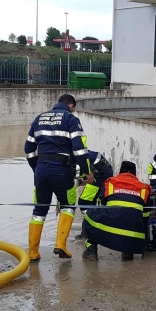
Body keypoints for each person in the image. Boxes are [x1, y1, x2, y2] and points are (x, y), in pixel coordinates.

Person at [24, 94, 94, 260]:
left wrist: (37, 168)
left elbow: (28, 149)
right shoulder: (71, 119)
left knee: (39, 210)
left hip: (41, 170)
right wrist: (87, 172)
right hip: (62, 170)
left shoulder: (39, 119)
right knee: (68, 206)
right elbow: (79, 150)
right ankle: (60, 245)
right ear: (71, 105)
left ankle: (33, 253)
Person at [81, 161, 151, 261]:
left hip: (109, 228)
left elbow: (101, 206)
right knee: (132, 218)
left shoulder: (109, 183)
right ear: (134, 173)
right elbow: (146, 215)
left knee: (90, 212)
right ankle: (128, 251)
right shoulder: (144, 188)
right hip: (134, 235)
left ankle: (91, 250)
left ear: (120, 172)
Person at [74, 150, 114, 239]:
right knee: (89, 202)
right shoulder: (75, 153)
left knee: (85, 202)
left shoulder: (74, 157)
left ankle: (90, 231)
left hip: (101, 174)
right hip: (99, 172)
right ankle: (90, 230)